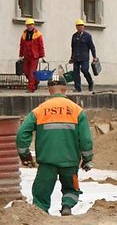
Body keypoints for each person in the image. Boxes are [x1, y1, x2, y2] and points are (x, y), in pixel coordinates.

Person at [16, 75, 94, 216]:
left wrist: (24, 154)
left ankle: (41, 215)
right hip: (70, 162)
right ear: (65, 89)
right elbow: (86, 139)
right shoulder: (77, 111)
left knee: (41, 194)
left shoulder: (39, 110)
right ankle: (67, 206)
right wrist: (87, 159)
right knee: (71, 189)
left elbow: (22, 133)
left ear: (49, 90)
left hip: (47, 161)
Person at [69, 19, 98, 92]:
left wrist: (94, 57)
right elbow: (73, 47)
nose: (80, 27)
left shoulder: (87, 36)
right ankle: (77, 88)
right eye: (78, 26)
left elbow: (92, 47)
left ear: (83, 27)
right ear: (76, 27)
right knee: (76, 73)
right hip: (76, 57)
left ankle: (90, 82)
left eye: (81, 26)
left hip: (84, 57)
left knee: (84, 70)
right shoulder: (74, 36)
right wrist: (72, 57)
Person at [19, 18, 46, 93]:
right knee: (26, 71)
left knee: (31, 72)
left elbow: (41, 46)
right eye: (28, 25)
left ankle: (31, 88)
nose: (29, 26)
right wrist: (20, 54)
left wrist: (42, 56)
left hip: (34, 56)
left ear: (33, 25)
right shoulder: (24, 34)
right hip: (26, 55)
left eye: (30, 25)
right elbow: (21, 45)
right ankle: (36, 81)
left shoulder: (38, 34)